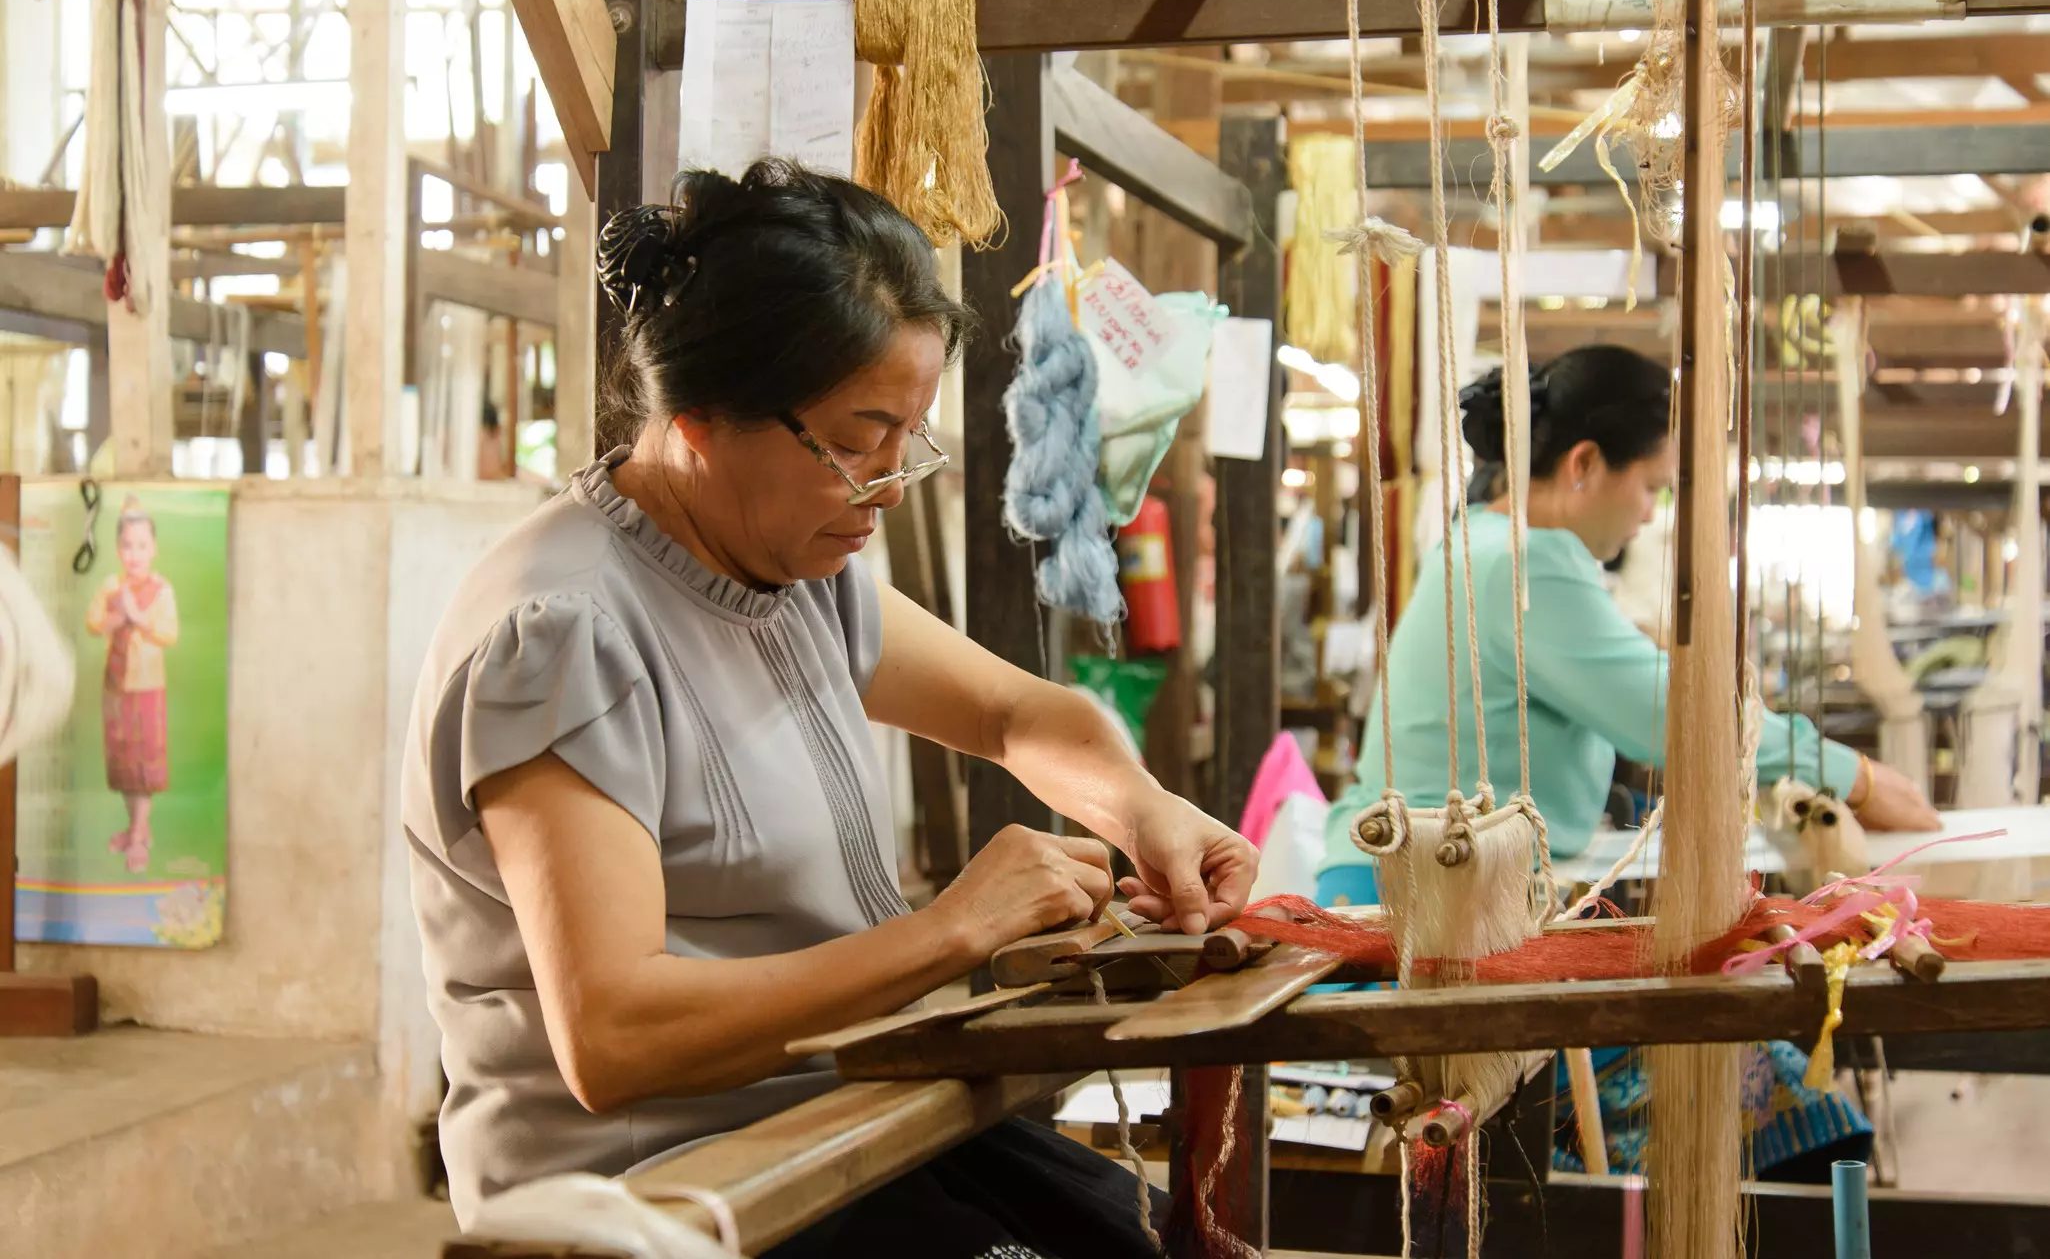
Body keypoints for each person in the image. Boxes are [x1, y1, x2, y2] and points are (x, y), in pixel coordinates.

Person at [402, 160, 1255, 1252]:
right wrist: (954, 929)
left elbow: (1015, 717)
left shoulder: (794, 570)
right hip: (657, 1187)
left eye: (909, 438)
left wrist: (1145, 814)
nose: (890, 486)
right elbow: (614, 1036)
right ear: (704, 420)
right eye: (856, 444)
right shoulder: (568, 636)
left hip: (840, 1116)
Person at [1315, 343, 1939, 1179]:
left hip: (1427, 909)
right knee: (1757, 1079)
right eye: (1650, 486)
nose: (1650, 514)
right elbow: (1680, 727)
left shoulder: (1489, 548)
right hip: (1416, 933)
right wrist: (1859, 778)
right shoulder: (1520, 565)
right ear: (1583, 465)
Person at [85, 495, 179, 875]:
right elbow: (94, 623)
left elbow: (168, 634)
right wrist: (114, 617)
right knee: (124, 763)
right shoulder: (111, 585)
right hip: (116, 686)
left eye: (142, 545)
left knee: (144, 765)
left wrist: (137, 616)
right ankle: (136, 826)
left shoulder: (162, 590)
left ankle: (139, 836)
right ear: (117, 549)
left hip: (146, 688)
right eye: (127, 545)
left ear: (153, 548)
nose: (134, 553)